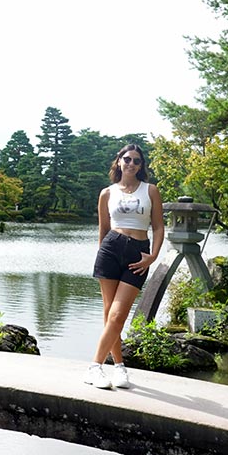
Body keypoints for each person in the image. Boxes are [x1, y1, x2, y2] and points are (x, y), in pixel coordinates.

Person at [85, 144, 164, 389]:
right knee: (110, 314)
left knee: (118, 314)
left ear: (141, 166)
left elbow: (159, 227)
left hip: (138, 253)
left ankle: (94, 367)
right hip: (110, 249)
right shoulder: (106, 193)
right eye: (127, 159)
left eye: (136, 161)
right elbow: (103, 229)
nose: (131, 164)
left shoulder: (150, 191)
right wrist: (102, 256)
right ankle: (119, 367)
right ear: (119, 161)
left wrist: (152, 256)